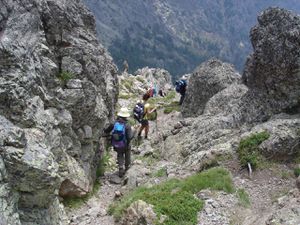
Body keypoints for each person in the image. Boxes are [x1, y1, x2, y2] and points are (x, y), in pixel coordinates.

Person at [103, 107, 133, 177]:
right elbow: (129, 137)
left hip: (117, 144)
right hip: (125, 144)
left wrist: (105, 132)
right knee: (127, 154)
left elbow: (107, 130)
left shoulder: (114, 123)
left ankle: (120, 168)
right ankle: (127, 168)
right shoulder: (127, 125)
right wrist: (133, 135)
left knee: (120, 155)